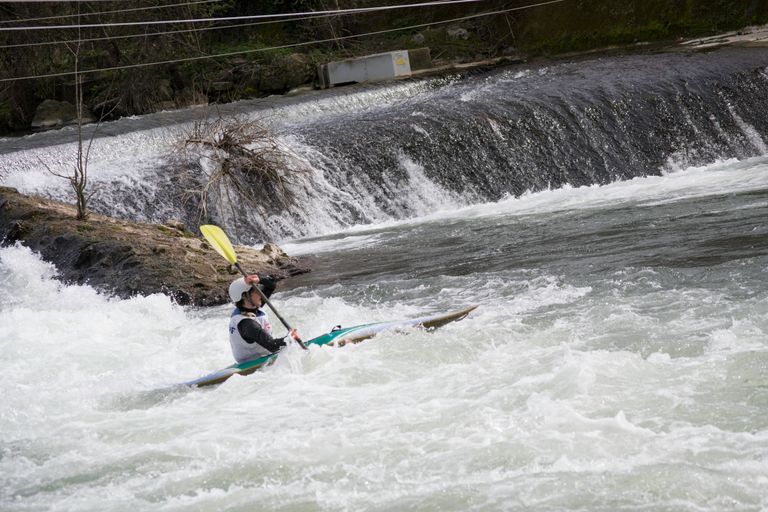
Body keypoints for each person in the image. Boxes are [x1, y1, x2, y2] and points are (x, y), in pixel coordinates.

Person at [227, 274, 300, 363]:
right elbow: (272, 346)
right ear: (244, 296)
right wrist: (290, 338)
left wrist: (259, 279)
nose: (260, 293)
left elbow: (271, 284)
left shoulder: (251, 308)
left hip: (263, 357)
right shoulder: (247, 323)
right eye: (256, 290)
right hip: (254, 366)